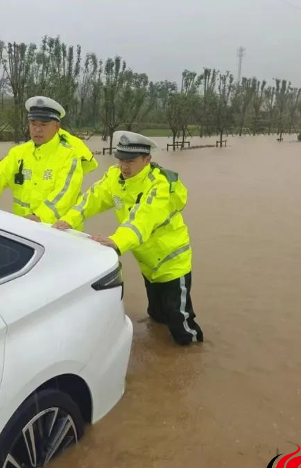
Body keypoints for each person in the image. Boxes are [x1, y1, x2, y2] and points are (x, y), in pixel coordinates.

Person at [54, 131, 203, 345]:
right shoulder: (115, 177)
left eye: (131, 161)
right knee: (156, 315)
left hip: (172, 262)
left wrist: (116, 241)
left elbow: (141, 219)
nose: (124, 166)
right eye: (121, 160)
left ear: (147, 160)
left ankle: (195, 354)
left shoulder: (159, 186)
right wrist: (68, 220)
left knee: (181, 322)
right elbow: (91, 198)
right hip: (148, 263)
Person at [0, 96, 95, 224]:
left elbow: (65, 194)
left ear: (57, 127)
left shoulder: (69, 156)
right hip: (25, 232)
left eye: (43, 125)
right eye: (33, 124)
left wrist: (39, 216)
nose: (37, 129)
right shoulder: (18, 153)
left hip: (60, 233)